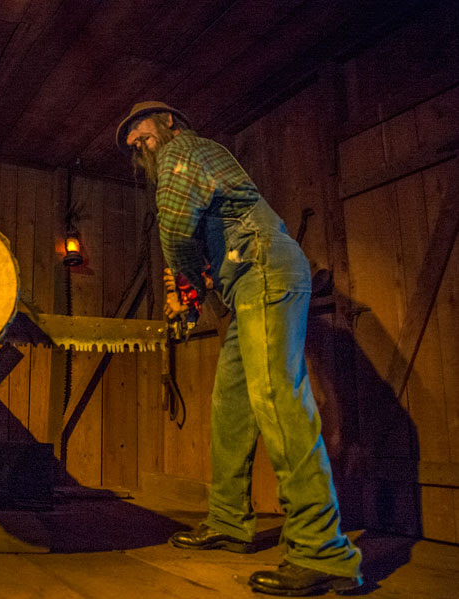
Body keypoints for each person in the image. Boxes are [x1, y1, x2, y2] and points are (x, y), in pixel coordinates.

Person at [116, 101, 362, 596]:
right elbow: (198, 234)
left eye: (140, 131)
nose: (137, 142)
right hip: (248, 281)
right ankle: (229, 521)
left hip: (263, 271)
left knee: (277, 399)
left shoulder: (184, 150)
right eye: (131, 145)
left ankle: (323, 551)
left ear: (169, 121)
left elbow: (174, 227)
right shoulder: (196, 168)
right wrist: (195, 288)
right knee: (231, 405)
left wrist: (186, 287)